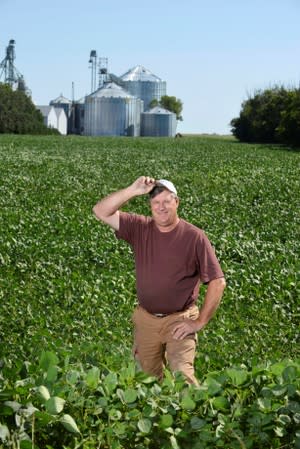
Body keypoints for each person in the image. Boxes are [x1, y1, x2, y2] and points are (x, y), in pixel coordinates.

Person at [93, 176, 226, 385]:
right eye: (156, 202)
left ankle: (196, 415)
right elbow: (100, 211)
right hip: (146, 320)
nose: (161, 207)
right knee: (146, 380)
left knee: (183, 375)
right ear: (150, 206)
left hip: (179, 319)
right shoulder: (139, 227)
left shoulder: (194, 237)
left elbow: (218, 282)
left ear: (177, 202)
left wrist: (199, 322)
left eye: (167, 201)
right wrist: (132, 190)